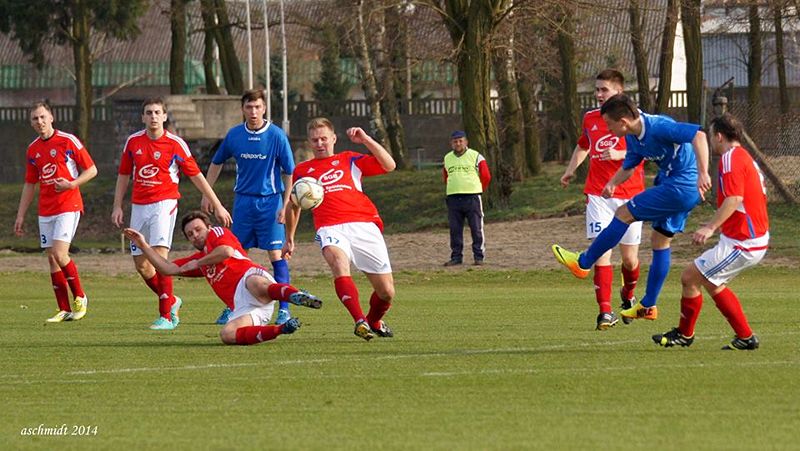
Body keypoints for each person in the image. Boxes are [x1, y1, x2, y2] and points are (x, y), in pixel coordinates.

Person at [552, 93, 711, 322]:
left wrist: (703, 173)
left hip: (680, 185)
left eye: (609, 124)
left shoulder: (659, 126)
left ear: (623, 122)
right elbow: (630, 165)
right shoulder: (634, 138)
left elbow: (699, 135)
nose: (607, 129)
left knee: (623, 214)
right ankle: (648, 305)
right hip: (675, 185)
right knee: (660, 240)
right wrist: (612, 184)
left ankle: (583, 262)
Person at [111, 97, 232, 331]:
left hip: (164, 204)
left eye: (158, 112)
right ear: (143, 117)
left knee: (159, 258)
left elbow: (196, 176)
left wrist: (217, 204)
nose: (153, 116)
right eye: (149, 112)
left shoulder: (175, 144)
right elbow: (124, 175)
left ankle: (166, 316)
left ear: (165, 116)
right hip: (139, 206)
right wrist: (118, 205)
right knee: (142, 266)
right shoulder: (133, 142)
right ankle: (171, 300)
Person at [652, 113, 766, 351]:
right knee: (712, 283)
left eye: (712, 136)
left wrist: (710, 227)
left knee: (689, 277)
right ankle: (745, 337)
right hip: (744, 237)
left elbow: (735, 198)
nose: (711, 142)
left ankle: (684, 335)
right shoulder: (743, 156)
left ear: (719, 136)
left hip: (743, 242)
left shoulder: (730, 159)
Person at [123, 211, 322, 345]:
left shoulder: (216, 234)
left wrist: (199, 263)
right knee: (227, 335)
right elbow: (167, 269)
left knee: (255, 284)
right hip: (245, 306)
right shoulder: (199, 259)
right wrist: (144, 246)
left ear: (208, 227)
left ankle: (295, 296)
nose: (195, 236)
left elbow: (226, 251)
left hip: (250, 277)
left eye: (198, 229)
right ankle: (281, 329)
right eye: (190, 234)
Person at [282, 117, 396, 341]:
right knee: (338, 262)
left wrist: (365, 140)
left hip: (364, 225)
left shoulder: (350, 159)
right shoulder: (303, 171)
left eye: (324, 138)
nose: (320, 143)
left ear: (334, 138)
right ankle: (359, 321)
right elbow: (293, 207)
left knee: (386, 292)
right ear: (309, 142)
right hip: (330, 227)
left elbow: (389, 165)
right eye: (315, 140)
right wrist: (290, 238)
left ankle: (373, 320)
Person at [559, 69, 645, 330]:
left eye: (603, 90)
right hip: (598, 193)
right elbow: (584, 144)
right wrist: (571, 169)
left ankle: (628, 295)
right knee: (602, 253)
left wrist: (620, 154)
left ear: (619, 91)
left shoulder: (637, 119)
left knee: (630, 260)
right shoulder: (590, 118)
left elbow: (646, 152)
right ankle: (605, 312)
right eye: (596, 89)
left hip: (630, 195)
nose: (598, 94)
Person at [202, 89, 295, 326]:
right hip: (243, 203)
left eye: (257, 107)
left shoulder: (276, 136)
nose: (253, 112)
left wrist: (285, 205)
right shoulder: (234, 135)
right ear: (242, 110)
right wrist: (208, 194)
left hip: (270, 203)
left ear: (264, 109)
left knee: (276, 254)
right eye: (248, 107)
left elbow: (289, 173)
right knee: (235, 255)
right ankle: (233, 305)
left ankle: (284, 310)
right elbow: (216, 163)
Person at [14, 101, 98, 323]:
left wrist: (72, 184)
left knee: (60, 254)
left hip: (68, 205)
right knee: (52, 259)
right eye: (35, 119)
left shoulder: (67, 140)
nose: (40, 122)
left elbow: (92, 170)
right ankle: (63, 309)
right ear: (31, 123)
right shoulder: (32, 149)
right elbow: (30, 184)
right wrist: (21, 215)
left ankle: (80, 296)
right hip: (46, 209)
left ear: (51, 117)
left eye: (43, 117)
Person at [442, 130, 491, 266]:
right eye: (455, 141)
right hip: (453, 198)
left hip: (472, 197)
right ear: (451, 143)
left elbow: (486, 176)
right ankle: (456, 257)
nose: (458, 144)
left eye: (460, 141)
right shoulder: (447, 158)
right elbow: (446, 177)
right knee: (455, 229)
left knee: (476, 228)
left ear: (466, 142)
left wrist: (479, 189)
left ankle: (478, 256)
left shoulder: (476, 156)